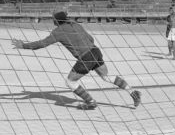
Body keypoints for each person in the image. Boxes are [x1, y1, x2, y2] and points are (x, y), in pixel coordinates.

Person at [12, 10, 141, 110]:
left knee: (70, 81)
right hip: (95, 51)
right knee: (106, 77)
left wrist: (23, 45)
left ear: (56, 21)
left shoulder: (58, 32)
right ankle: (133, 92)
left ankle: (90, 102)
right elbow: (90, 38)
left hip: (86, 57)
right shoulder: (75, 24)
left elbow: (42, 44)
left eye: (53, 19)